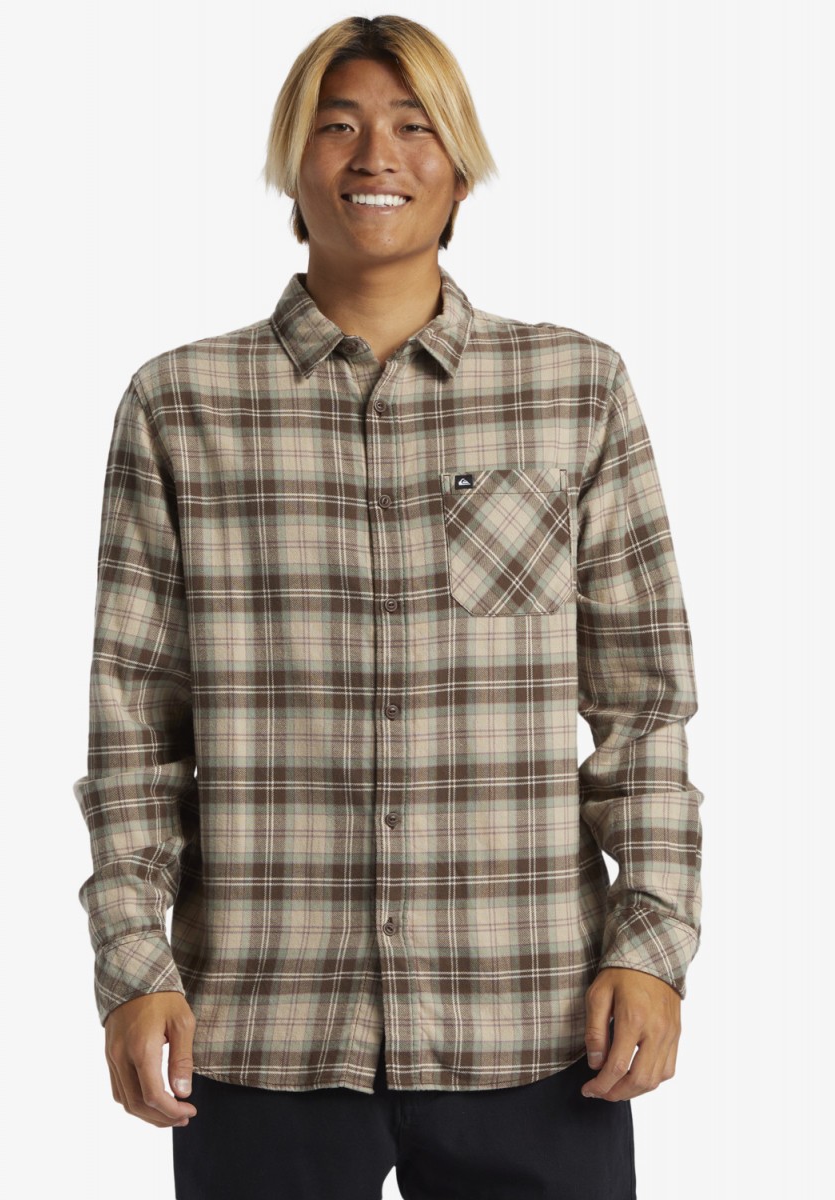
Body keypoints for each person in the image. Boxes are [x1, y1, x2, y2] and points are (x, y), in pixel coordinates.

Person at [73, 14, 703, 1199]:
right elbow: (134, 724)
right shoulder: (179, 405)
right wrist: (132, 962)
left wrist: (654, 943)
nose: (376, 156)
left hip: (533, 1021)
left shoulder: (574, 390)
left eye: (414, 128)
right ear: (292, 164)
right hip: (260, 1027)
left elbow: (643, 706)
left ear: (458, 170)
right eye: (339, 126)